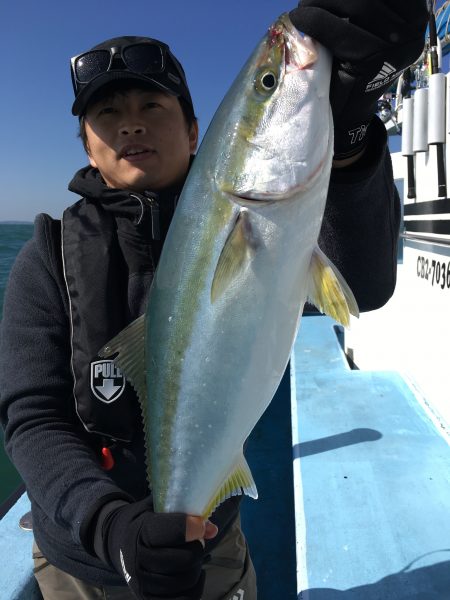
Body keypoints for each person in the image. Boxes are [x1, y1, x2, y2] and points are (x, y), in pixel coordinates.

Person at [0, 2, 428, 599]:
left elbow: (365, 286)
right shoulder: (47, 252)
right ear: (87, 145)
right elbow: (31, 418)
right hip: (83, 561)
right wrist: (114, 528)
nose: (131, 126)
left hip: (210, 543)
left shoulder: (262, 216)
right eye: (107, 114)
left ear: (197, 131)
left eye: (152, 106)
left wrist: (352, 136)